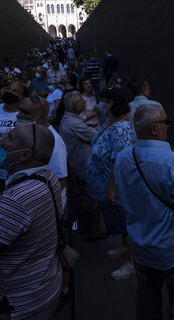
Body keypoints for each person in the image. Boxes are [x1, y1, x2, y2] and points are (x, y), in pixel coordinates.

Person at [114, 104, 174, 320]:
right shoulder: (171, 161)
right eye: (166, 123)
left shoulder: (122, 158)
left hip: (141, 246)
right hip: (172, 247)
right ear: (155, 128)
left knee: (147, 298)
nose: (168, 127)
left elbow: (122, 196)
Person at [0, 124, 63, 319]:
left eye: (9, 138)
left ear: (24, 155)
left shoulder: (15, 201)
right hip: (42, 288)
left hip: (17, 304)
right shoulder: (48, 178)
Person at [87, 87, 136, 280]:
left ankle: (131, 263)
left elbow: (120, 161)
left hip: (117, 188)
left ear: (111, 104)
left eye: (103, 101)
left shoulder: (121, 128)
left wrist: (111, 188)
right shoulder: (110, 122)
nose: (100, 104)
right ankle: (124, 247)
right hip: (104, 183)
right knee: (120, 222)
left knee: (128, 222)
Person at [59, 92, 107, 240]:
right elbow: (95, 136)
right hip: (83, 166)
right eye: (81, 102)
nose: (85, 104)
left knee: (83, 199)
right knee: (89, 200)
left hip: (78, 164)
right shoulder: (73, 123)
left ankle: (84, 226)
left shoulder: (71, 119)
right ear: (75, 106)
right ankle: (91, 232)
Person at [16, 95, 68, 208]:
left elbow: (60, 182)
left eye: (25, 112)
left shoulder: (54, 143)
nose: (18, 115)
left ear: (40, 117)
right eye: (19, 110)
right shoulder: (30, 133)